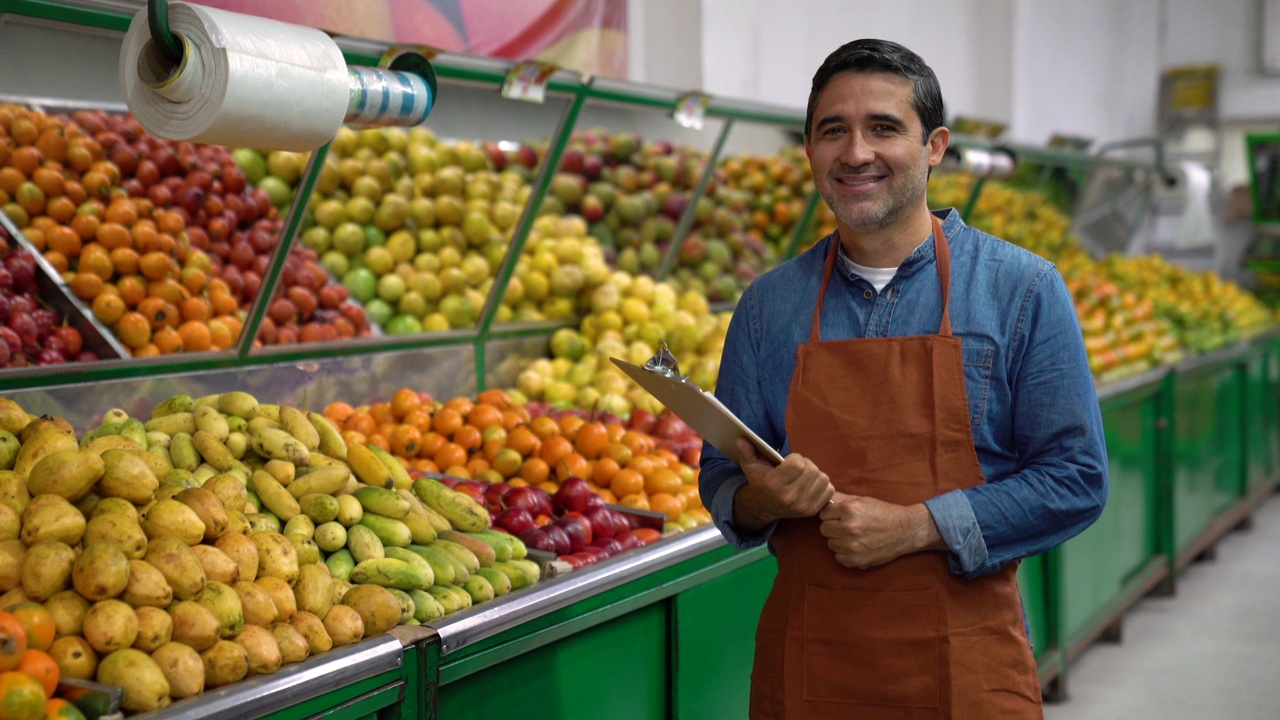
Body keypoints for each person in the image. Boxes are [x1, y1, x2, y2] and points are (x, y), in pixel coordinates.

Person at [699, 38, 1108, 719]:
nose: (856, 152)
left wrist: (920, 525)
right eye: (833, 131)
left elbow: (1075, 478)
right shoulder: (769, 307)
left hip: (967, 668)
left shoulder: (1024, 290)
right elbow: (721, 480)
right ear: (809, 150)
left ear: (935, 146)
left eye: (884, 127)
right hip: (811, 666)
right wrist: (764, 499)